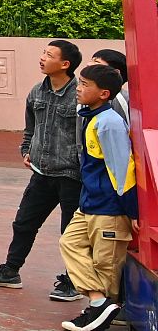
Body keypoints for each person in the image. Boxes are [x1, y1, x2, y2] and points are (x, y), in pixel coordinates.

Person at [0, 40, 82, 300]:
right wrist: (26, 149)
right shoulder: (37, 92)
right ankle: (10, 271)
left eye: (49, 55)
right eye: (43, 53)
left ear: (65, 64)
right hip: (41, 173)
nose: (42, 58)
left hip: (72, 175)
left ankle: (74, 282)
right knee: (24, 223)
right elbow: (30, 127)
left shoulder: (79, 94)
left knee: (71, 233)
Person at [57, 63, 138, 331]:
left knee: (106, 267)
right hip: (90, 204)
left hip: (109, 208)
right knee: (69, 243)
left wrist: (132, 210)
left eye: (85, 85)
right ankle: (98, 302)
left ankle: (98, 312)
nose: (78, 89)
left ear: (104, 94)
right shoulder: (92, 118)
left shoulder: (109, 123)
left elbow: (122, 169)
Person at [90, 49, 128, 126]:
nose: (89, 64)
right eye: (91, 60)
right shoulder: (86, 94)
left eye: (97, 62)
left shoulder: (121, 100)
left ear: (116, 73)